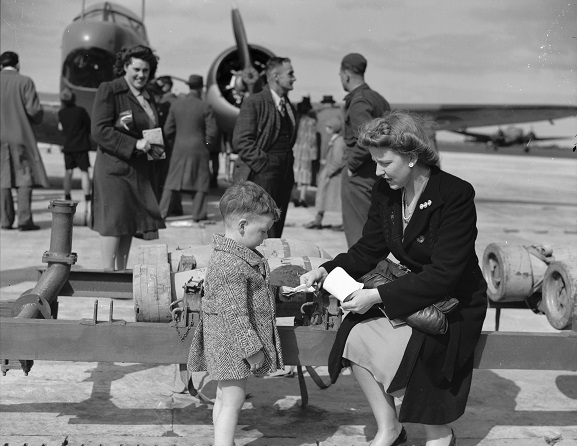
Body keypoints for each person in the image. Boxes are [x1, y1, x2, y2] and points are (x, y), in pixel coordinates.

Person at [300, 112, 487, 446]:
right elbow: (367, 249)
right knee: (354, 333)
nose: (377, 171)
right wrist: (326, 270)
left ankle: (439, 433)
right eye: (374, 161)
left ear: (412, 157)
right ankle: (390, 429)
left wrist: (377, 297)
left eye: (384, 162)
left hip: (454, 302)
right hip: (413, 290)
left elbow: (445, 274)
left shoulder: (455, 194)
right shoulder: (386, 191)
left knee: (421, 348)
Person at [187, 181, 284, 446]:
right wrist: (252, 349)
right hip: (232, 346)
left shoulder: (234, 255)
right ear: (242, 226)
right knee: (233, 400)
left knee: (224, 398)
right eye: (262, 231)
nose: (265, 237)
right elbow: (235, 314)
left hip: (226, 343)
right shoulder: (231, 263)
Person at [90, 45, 166, 270]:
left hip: (139, 169)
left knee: (130, 222)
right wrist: (134, 144)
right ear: (125, 67)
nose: (141, 75)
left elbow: (153, 130)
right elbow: (100, 130)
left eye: (146, 70)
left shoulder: (147, 96)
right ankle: (107, 274)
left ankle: (121, 273)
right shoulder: (110, 90)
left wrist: (156, 157)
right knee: (114, 222)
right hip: (115, 168)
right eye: (136, 69)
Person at [232, 57, 297, 238]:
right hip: (264, 174)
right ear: (276, 76)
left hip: (284, 173)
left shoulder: (288, 105)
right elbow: (241, 141)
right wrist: (264, 165)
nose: (294, 78)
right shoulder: (254, 102)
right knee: (263, 228)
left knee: (276, 226)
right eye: (290, 74)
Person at [339, 52, 390, 247]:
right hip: (376, 172)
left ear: (346, 74)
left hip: (359, 175)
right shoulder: (378, 98)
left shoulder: (359, 101)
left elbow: (367, 137)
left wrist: (351, 165)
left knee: (358, 236)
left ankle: (366, 276)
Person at [158, 74, 218, 222]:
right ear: (200, 88)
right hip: (199, 148)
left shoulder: (176, 104)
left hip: (178, 148)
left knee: (172, 182)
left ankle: (161, 213)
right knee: (201, 182)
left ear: (189, 86)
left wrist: (176, 143)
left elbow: (167, 130)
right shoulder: (205, 106)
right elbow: (212, 132)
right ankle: (198, 215)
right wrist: (207, 146)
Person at [0, 51, 48, 231]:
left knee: (2, 178)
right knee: (24, 177)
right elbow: (34, 111)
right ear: (18, 64)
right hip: (20, 135)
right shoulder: (25, 81)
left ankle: (5, 220)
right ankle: (24, 220)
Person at [304, 116, 345, 230]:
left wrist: (328, 173)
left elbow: (338, 161)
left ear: (332, 128)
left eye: (328, 127)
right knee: (322, 198)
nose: (326, 129)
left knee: (333, 199)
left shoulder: (338, 142)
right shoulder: (335, 140)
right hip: (329, 175)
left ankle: (342, 223)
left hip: (332, 176)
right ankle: (318, 220)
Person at [57, 88, 92, 204]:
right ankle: (87, 197)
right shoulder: (81, 111)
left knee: (68, 171)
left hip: (68, 146)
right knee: (84, 172)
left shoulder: (61, 113)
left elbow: (61, 128)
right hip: (81, 146)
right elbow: (89, 126)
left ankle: (67, 196)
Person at [291, 96, 320, 208]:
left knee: (294, 173)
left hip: (295, 148)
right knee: (305, 174)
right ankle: (302, 198)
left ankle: (294, 196)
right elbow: (312, 139)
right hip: (306, 150)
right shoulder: (311, 122)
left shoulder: (296, 119)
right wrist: (314, 155)